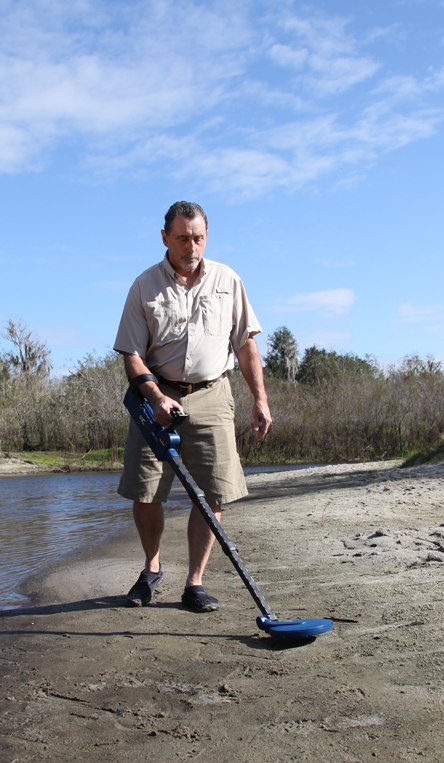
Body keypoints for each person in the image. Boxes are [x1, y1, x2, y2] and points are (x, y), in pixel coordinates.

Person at [113, 201, 272, 613]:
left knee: (213, 493)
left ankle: (194, 583)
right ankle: (151, 569)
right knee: (146, 492)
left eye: (198, 237)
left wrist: (260, 398)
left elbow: (245, 344)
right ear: (165, 238)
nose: (192, 246)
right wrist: (156, 396)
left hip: (213, 395)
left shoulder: (228, 280)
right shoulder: (144, 286)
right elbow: (131, 354)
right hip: (156, 397)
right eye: (183, 238)